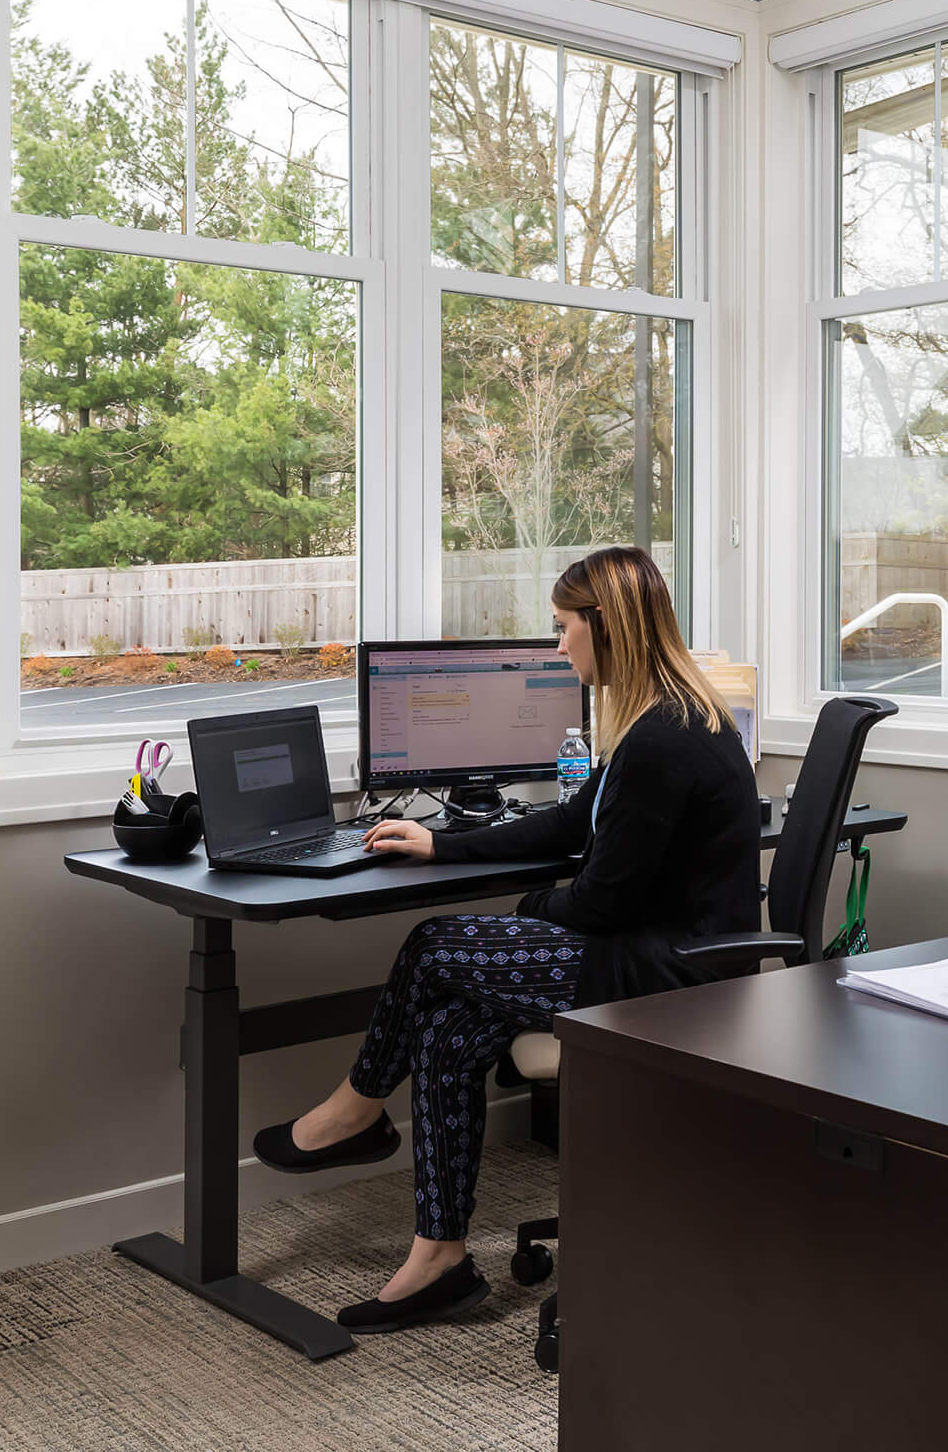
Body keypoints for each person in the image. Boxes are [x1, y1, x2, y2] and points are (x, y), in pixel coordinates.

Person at [252, 545, 757, 1331]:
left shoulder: (664, 739)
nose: (558, 647)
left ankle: (354, 1111)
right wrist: (438, 844)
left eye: (563, 629)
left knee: (432, 944)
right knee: (452, 1030)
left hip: (665, 972)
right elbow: (569, 820)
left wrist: (525, 910)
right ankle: (439, 1263)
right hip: (642, 947)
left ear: (606, 626)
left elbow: (597, 905)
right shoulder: (660, 716)